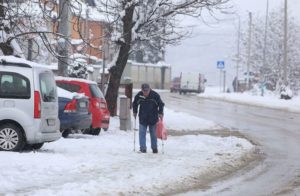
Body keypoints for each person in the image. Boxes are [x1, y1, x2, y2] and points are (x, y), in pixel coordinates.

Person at [132, 83, 165, 153]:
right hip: (143, 117)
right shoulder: (139, 95)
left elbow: (161, 104)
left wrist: (160, 112)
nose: (145, 92)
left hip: (153, 118)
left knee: (153, 134)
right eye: (144, 91)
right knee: (142, 133)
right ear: (142, 90)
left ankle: (154, 148)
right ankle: (143, 148)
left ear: (149, 89)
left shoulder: (155, 95)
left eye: (147, 91)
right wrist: (135, 112)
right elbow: (135, 103)